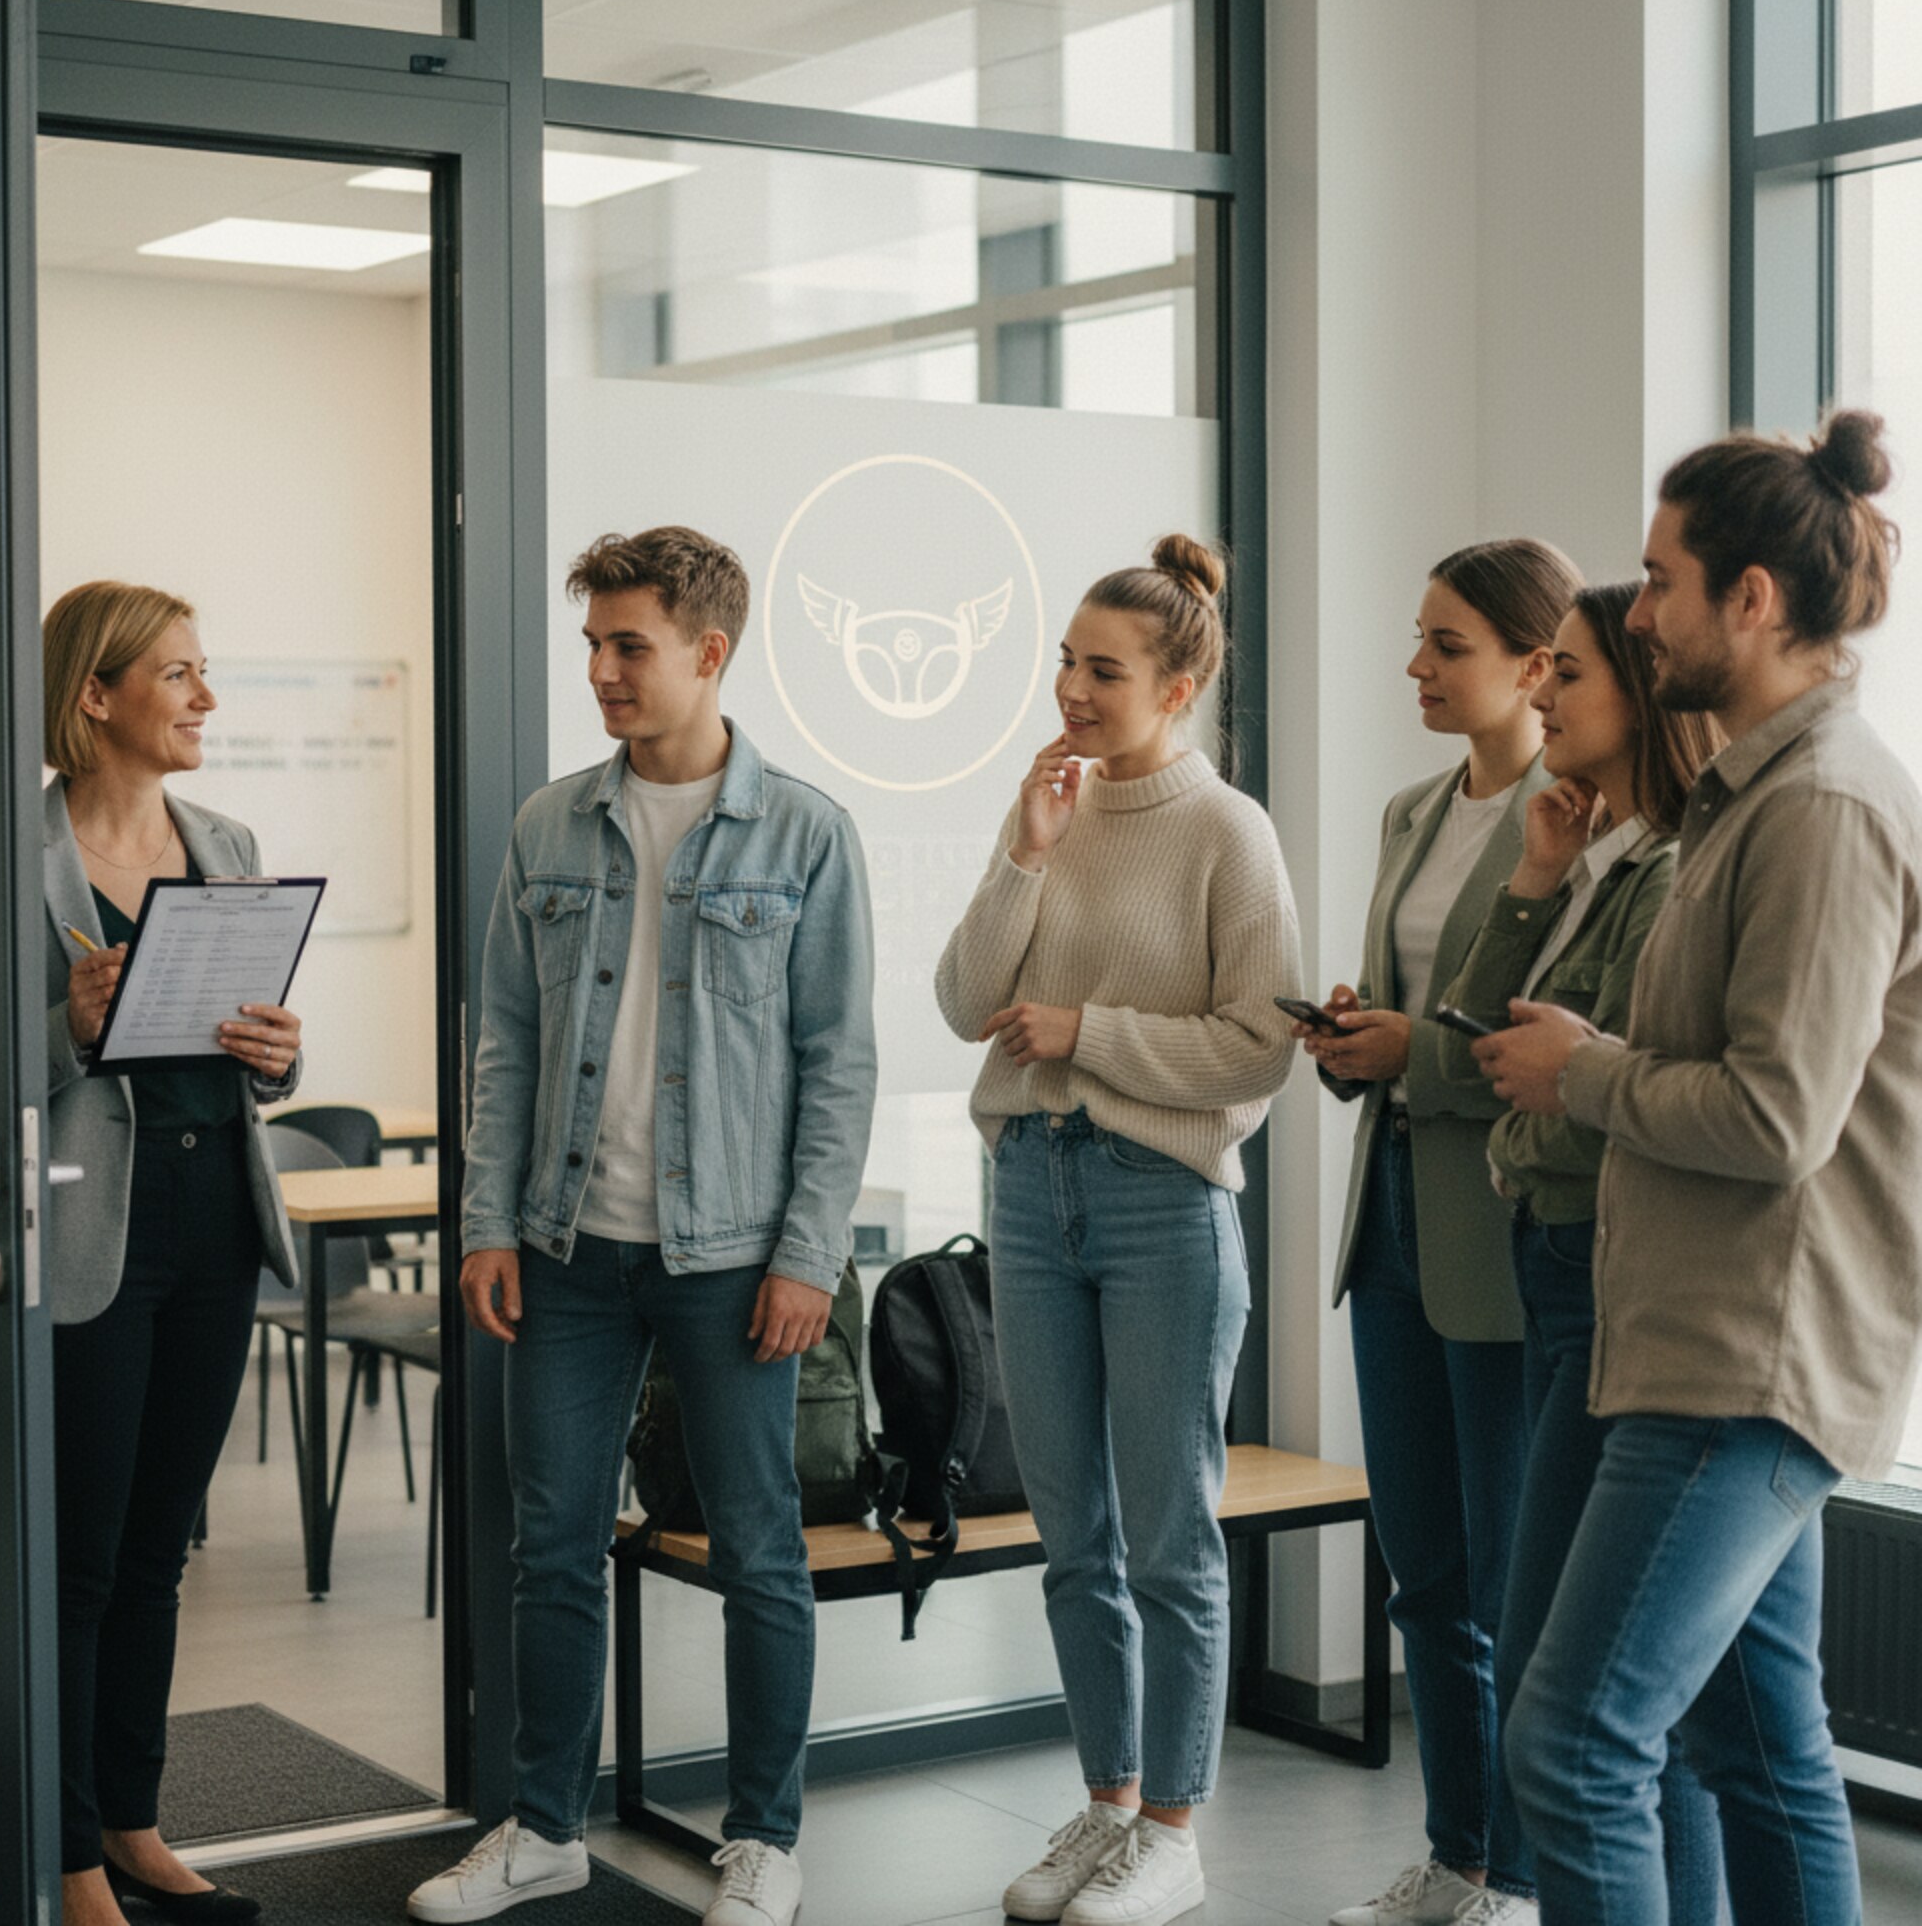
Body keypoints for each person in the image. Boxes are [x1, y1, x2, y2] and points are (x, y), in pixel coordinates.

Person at [1480, 410, 1922, 1926]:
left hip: (1749, 1360)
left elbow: (1778, 1117)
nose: (1639, 607)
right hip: (1698, 1339)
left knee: (1576, 1746)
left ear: (1751, 600)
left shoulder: (1822, 809)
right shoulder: (1756, 797)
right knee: (1753, 1745)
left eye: (1662, 581)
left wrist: (1581, 1073)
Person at [412, 527, 875, 1926]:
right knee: (550, 1541)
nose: (603, 673)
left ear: (709, 654)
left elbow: (838, 1062)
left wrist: (807, 1254)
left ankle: (763, 1839)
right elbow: (501, 1034)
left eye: (631, 647)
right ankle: (544, 1823)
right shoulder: (552, 824)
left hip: (733, 1254)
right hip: (563, 1249)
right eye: (594, 646)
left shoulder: (804, 831)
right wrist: (486, 1216)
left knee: (758, 1551)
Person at [936, 535, 1301, 1926]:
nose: (1071, 691)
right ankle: (1102, 1807)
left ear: (1183, 680)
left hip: (1162, 1205)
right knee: (1070, 1531)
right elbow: (966, 997)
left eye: (1104, 669)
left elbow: (1259, 1047)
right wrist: (1027, 857)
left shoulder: (1228, 833)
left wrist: (1091, 1032)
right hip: (1030, 1188)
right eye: (1066, 664)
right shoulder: (1049, 808)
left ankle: (1173, 1826)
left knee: (1168, 1539)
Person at [1299, 538, 1584, 1926]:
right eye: (1419, 640)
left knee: (1511, 1577)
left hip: (1499, 1227)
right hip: (1394, 1218)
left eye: (1449, 644)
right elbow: (1423, 1017)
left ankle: (1516, 1874)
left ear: (1538, 665)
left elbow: (1535, 1045)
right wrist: (1355, 1042)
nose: (1417, 666)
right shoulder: (1415, 812)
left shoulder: (1574, 821)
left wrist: (1410, 1051)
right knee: (1425, 1573)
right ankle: (1458, 1852)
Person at [1433, 582, 1724, 1923]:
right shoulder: (1597, 850)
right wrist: (1537, 877)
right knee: (1600, 1691)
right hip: (1557, 1265)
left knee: (1600, 1706)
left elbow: (1566, 1067)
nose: (1541, 694)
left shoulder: (1676, 866)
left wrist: (1553, 1073)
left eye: (1570, 675)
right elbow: (1477, 1027)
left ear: (1650, 696)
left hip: (1613, 1277)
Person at [42, 582, 305, 1926]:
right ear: (98, 696)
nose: (205, 698)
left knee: (161, 1550)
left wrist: (279, 1054)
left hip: (214, 1223)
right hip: (94, 1226)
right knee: (80, 1558)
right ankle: (69, 1851)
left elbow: (247, 1042)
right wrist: (63, 1027)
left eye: (205, 673)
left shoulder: (224, 838)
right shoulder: (14, 854)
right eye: (179, 674)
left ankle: (135, 1823)